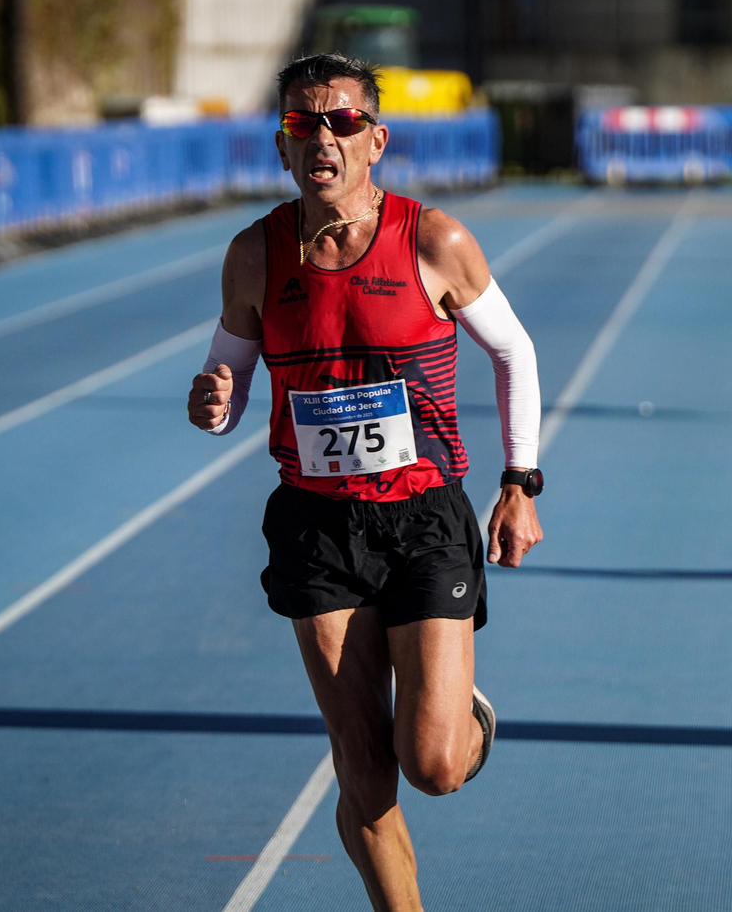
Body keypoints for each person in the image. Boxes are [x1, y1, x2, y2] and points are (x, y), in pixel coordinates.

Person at [185, 52, 544, 910]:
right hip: (315, 525)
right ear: (282, 145)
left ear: (375, 139)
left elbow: (515, 352)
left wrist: (520, 481)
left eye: (341, 121)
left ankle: (464, 720)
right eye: (302, 123)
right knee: (363, 766)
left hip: (422, 516)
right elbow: (222, 391)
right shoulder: (253, 257)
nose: (323, 137)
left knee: (432, 767)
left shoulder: (434, 240)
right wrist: (212, 398)